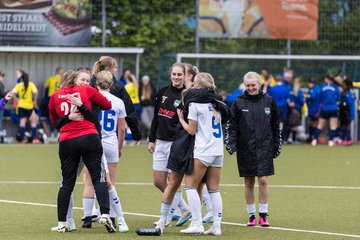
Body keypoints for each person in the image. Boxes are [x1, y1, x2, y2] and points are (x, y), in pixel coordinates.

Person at [48, 70, 115, 233]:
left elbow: (55, 123)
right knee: (98, 178)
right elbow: (107, 105)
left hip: (67, 141)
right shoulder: (86, 90)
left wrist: (68, 118)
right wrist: (82, 106)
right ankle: (105, 214)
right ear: (75, 80)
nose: (85, 82)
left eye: (87, 80)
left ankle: (62, 222)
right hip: (89, 137)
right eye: (83, 79)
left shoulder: (55, 96)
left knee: (66, 184)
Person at [226, 71, 281, 227]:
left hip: (265, 147)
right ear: (244, 84)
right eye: (247, 85)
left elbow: (276, 126)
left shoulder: (269, 101)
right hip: (245, 148)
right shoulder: (238, 102)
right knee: (249, 182)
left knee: (263, 180)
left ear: (259, 84)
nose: (250, 88)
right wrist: (232, 145)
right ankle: (251, 216)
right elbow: (232, 126)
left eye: (253, 85)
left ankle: (263, 215)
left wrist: (277, 144)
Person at [176, 72, 227, 235]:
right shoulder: (217, 102)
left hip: (203, 149)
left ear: (198, 86)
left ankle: (197, 224)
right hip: (218, 149)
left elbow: (191, 130)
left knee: (190, 186)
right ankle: (216, 226)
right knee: (214, 189)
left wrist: (181, 120)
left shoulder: (194, 104)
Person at [149, 63, 192, 228]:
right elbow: (156, 117)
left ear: (184, 75)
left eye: (179, 74)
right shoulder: (162, 92)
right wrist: (152, 139)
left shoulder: (187, 95)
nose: (176, 77)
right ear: (170, 75)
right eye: (174, 74)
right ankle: (184, 208)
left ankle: (167, 217)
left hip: (177, 142)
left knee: (172, 181)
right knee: (159, 181)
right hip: (160, 142)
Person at [91, 56, 141, 142]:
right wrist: (136, 134)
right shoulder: (117, 87)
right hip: (110, 135)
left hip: (92, 134)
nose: (116, 70)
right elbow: (130, 111)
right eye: (115, 67)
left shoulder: (90, 84)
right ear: (107, 69)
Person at [10, 71, 40, 144]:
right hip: (29, 106)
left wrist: (17, 100)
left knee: (22, 122)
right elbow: (36, 92)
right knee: (33, 122)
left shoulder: (19, 85)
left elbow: (12, 93)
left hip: (21, 106)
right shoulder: (31, 84)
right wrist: (35, 101)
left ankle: (23, 139)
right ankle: (34, 139)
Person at [311, 74, 341, 147]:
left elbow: (320, 98)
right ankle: (331, 141)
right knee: (333, 125)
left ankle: (314, 140)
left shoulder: (322, 87)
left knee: (320, 124)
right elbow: (338, 98)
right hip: (333, 108)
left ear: (327, 79)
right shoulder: (336, 87)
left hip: (324, 108)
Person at [267, 75, 290, 141]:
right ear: (282, 80)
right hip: (283, 107)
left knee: (274, 121)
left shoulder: (272, 89)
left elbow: (269, 99)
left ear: (276, 80)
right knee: (281, 123)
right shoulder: (286, 88)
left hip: (274, 107)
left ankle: (274, 138)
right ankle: (280, 138)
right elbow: (288, 100)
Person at [338, 77, 355, 146]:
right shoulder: (344, 92)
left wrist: (343, 104)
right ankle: (343, 139)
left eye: (343, 84)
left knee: (346, 125)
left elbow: (349, 102)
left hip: (347, 112)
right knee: (343, 125)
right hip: (343, 111)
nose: (342, 86)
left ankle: (348, 139)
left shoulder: (348, 93)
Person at [287, 77, 304, 143]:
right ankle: (294, 139)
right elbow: (302, 102)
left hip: (290, 110)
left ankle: (287, 138)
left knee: (290, 124)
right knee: (295, 125)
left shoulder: (290, 90)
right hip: (297, 110)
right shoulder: (299, 92)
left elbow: (288, 100)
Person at [306, 77, 321, 142]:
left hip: (314, 109)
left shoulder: (313, 90)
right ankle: (313, 137)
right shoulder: (318, 88)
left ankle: (312, 138)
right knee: (314, 123)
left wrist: (306, 98)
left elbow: (312, 97)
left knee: (312, 123)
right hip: (317, 109)